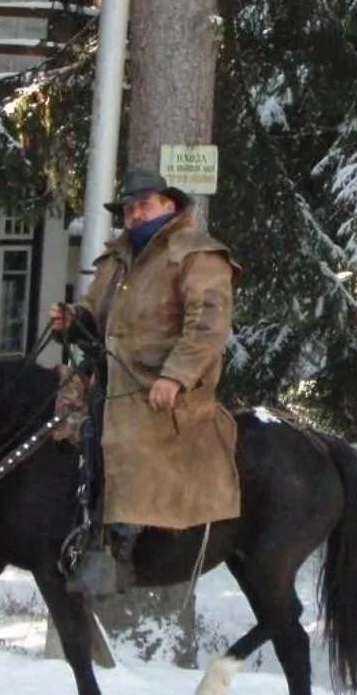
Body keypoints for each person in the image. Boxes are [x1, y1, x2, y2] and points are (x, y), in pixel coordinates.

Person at [49, 166, 240, 596]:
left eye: (144, 205)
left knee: (127, 440)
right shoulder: (117, 259)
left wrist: (175, 376)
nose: (135, 214)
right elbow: (93, 321)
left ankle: (118, 547)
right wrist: (70, 322)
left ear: (169, 205)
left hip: (165, 390)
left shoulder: (197, 254)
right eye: (130, 208)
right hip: (113, 381)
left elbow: (208, 325)